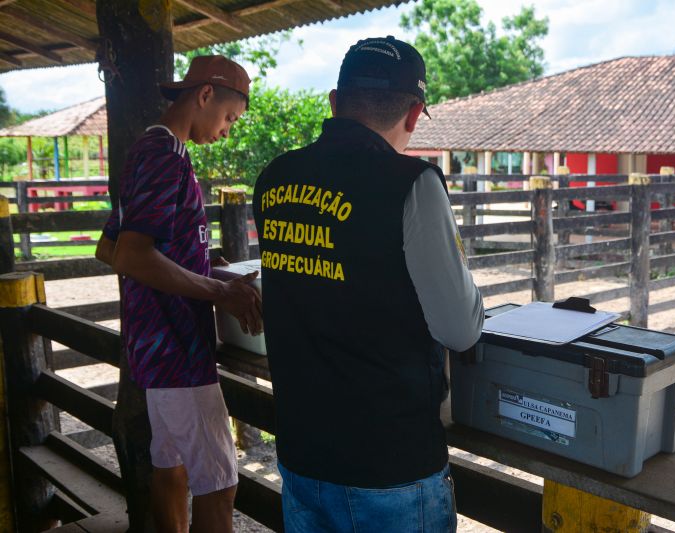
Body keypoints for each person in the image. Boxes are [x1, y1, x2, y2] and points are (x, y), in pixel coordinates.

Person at [252, 36, 484, 532]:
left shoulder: (275, 178)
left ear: (335, 103)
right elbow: (460, 329)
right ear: (415, 113)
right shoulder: (412, 183)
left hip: (301, 452)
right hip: (388, 464)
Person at [95, 55, 262, 533]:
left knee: (171, 468)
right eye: (229, 117)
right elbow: (129, 255)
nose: (228, 130)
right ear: (204, 95)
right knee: (219, 482)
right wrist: (217, 290)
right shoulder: (165, 156)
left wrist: (207, 267)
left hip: (154, 348)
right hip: (176, 350)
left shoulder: (156, 150)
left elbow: (109, 245)